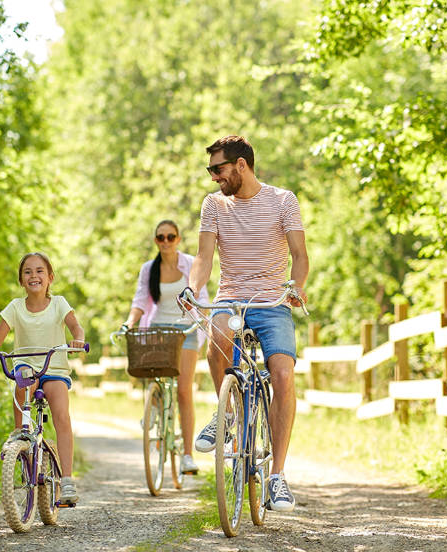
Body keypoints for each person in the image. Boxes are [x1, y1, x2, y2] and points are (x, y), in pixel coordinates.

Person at [181, 135, 309, 512]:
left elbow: (300, 255)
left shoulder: (283, 200)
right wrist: (193, 288)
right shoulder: (214, 205)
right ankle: (230, 412)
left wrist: (295, 288)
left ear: (241, 165)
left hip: (273, 302)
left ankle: (278, 477)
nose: (214, 178)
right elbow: (204, 257)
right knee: (216, 335)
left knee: (283, 374)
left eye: (218, 169)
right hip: (231, 297)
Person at [0, 252, 86, 505]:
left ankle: (66, 480)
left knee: (61, 414)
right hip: (27, 364)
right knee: (22, 382)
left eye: (39, 271)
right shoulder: (14, 307)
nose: (34, 275)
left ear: (50, 278)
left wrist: (77, 338)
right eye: (27, 272)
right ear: (21, 280)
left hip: (53, 366)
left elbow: (76, 327)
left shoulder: (59, 303)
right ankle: (19, 436)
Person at [122, 220, 210, 476]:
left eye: (171, 237)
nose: (166, 242)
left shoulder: (190, 264)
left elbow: (202, 298)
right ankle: (155, 410)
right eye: (161, 237)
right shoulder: (149, 269)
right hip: (158, 328)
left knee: (184, 390)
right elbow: (140, 299)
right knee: (153, 376)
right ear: (156, 241)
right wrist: (130, 322)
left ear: (178, 239)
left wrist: (204, 319)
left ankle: (187, 456)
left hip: (185, 331)